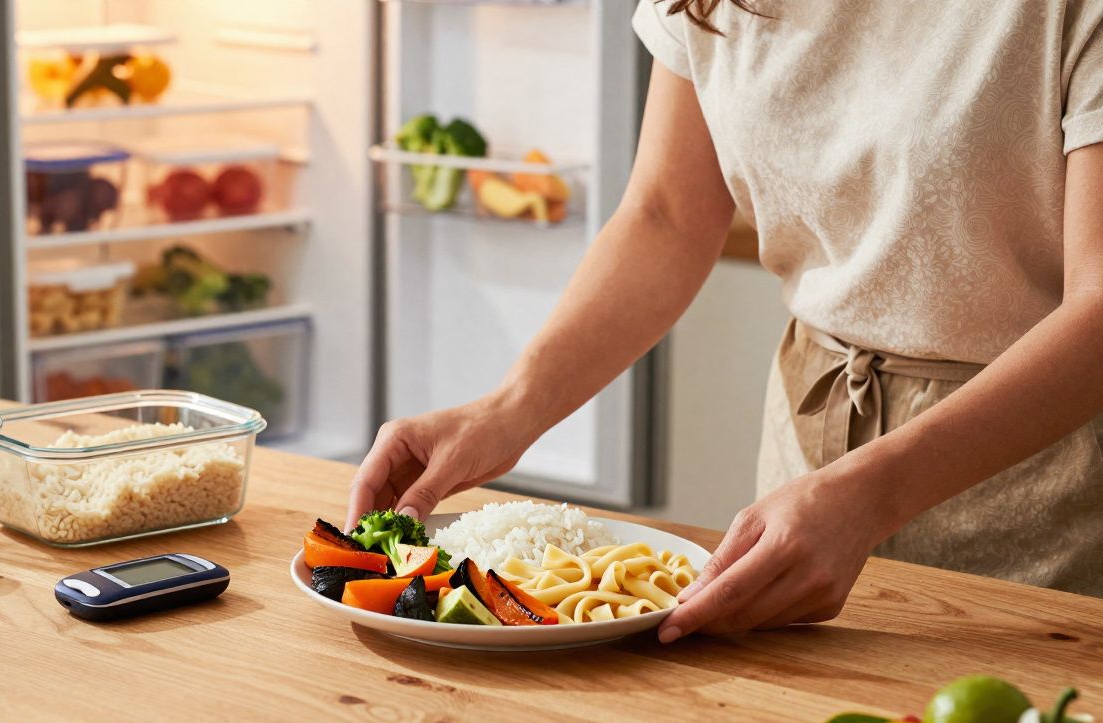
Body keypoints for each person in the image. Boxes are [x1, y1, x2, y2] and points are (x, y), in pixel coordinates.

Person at [346, 0, 1103, 643]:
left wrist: (871, 495)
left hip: (1039, 490)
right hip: (807, 459)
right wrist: (507, 410)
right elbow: (666, 216)